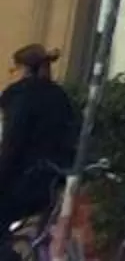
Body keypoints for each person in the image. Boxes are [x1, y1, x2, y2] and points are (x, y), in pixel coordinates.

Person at [0, 45, 79, 232]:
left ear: (24, 69)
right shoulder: (60, 96)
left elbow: (13, 143)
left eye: (14, 69)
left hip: (24, 180)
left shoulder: (21, 96)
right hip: (54, 180)